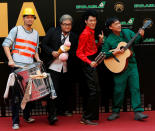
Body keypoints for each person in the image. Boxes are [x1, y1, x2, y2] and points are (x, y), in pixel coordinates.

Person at [102, 17, 148, 121]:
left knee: (135, 88)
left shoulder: (127, 32)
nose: (119, 25)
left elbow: (136, 41)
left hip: (132, 65)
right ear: (110, 27)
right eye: (116, 24)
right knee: (119, 90)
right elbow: (104, 54)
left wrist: (141, 35)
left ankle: (138, 112)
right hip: (119, 68)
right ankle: (115, 111)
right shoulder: (109, 39)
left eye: (119, 23)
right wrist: (114, 52)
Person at [2, 8, 41, 129]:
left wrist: (38, 60)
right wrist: (10, 59)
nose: (29, 19)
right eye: (27, 17)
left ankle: (26, 116)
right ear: (23, 18)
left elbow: (34, 50)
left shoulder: (36, 33)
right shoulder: (16, 29)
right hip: (17, 67)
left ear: (34, 19)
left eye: (31, 17)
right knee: (16, 96)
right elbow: (5, 44)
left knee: (29, 94)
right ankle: (15, 121)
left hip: (30, 68)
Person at [41, 14, 78, 123]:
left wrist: (68, 54)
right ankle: (51, 115)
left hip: (67, 68)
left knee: (64, 90)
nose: (67, 26)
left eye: (69, 24)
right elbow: (43, 44)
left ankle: (62, 110)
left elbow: (76, 51)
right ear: (60, 24)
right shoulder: (53, 32)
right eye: (65, 24)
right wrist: (52, 52)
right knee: (54, 90)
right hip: (53, 66)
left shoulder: (74, 36)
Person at [76, 10, 104, 125]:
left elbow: (92, 49)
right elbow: (79, 52)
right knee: (94, 91)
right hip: (88, 64)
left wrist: (100, 42)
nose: (93, 22)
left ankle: (92, 116)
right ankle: (85, 117)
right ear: (86, 21)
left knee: (95, 91)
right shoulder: (85, 34)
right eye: (91, 20)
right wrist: (89, 62)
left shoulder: (91, 32)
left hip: (92, 61)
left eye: (94, 20)